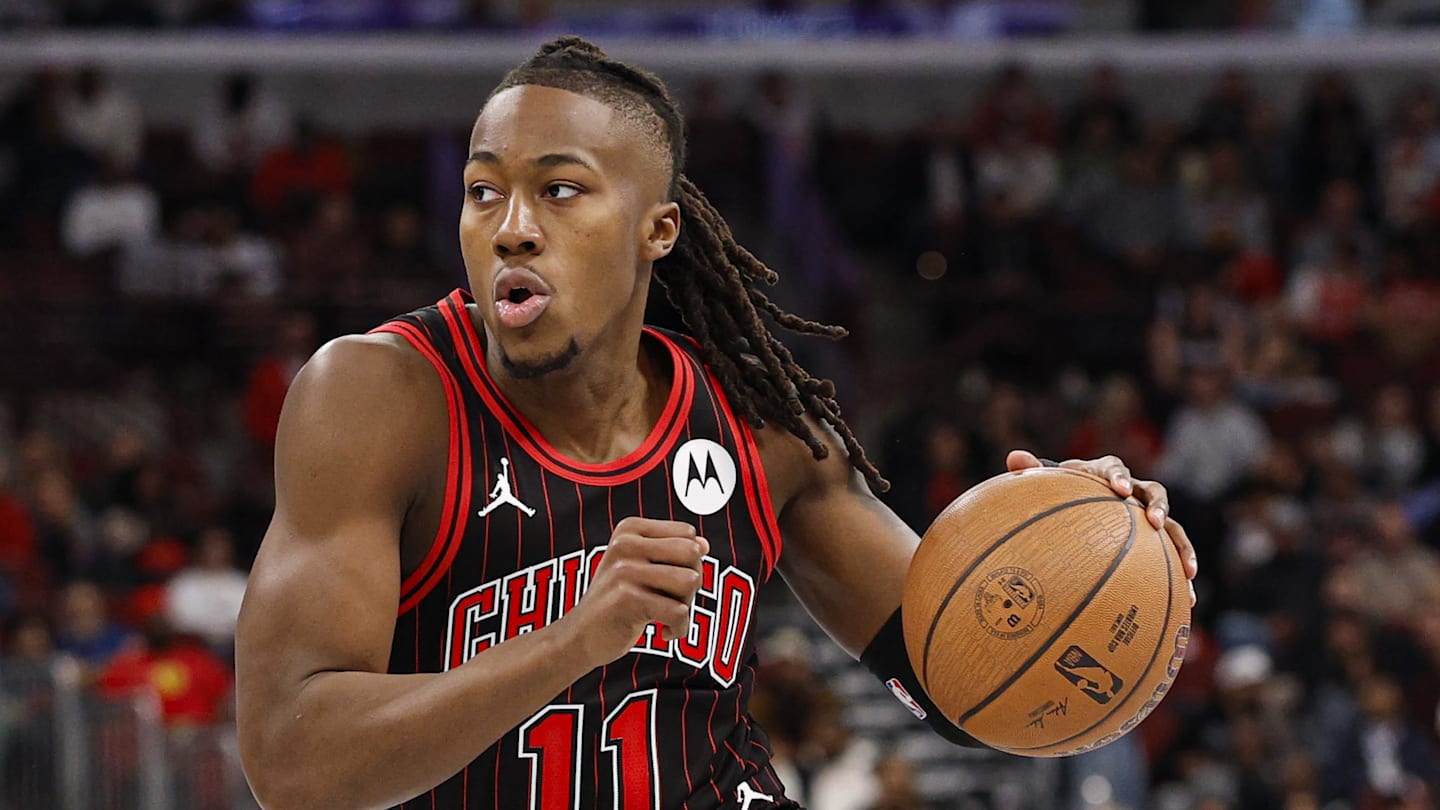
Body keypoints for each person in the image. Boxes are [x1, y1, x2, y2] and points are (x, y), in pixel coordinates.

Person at [234, 37, 1198, 810]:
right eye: (485, 191)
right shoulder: (378, 397)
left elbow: (966, 682)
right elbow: (293, 766)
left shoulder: (761, 425)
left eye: (560, 190)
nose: (512, 226)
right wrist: (568, 643)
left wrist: (1078, 559)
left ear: (657, 229)